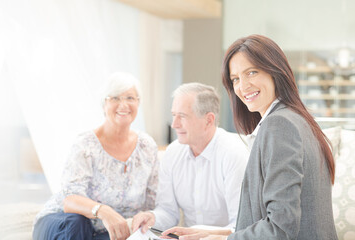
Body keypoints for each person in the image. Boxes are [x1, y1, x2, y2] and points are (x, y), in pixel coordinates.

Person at [199, 35, 338, 240]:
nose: (243, 86)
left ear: (275, 72)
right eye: (235, 79)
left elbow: (281, 228)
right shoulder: (298, 120)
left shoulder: (279, 125)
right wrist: (213, 234)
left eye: (252, 72)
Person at [32, 72, 159, 240]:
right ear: (103, 105)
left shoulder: (147, 146)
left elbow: (152, 201)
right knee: (77, 222)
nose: (123, 105)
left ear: (138, 103)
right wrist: (103, 211)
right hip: (63, 222)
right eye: (114, 98)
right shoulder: (86, 144)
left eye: (130, 98)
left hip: (104, 232)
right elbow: (70, 199)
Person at [132, 82, 249, 239]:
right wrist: (153, 218)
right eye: (174, 115)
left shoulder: (234, 155)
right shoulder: (172, 153)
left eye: (182, 116)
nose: (174, 124)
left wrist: (206, 235)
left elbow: (241, 226)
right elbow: (168, 211)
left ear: (208, 120)